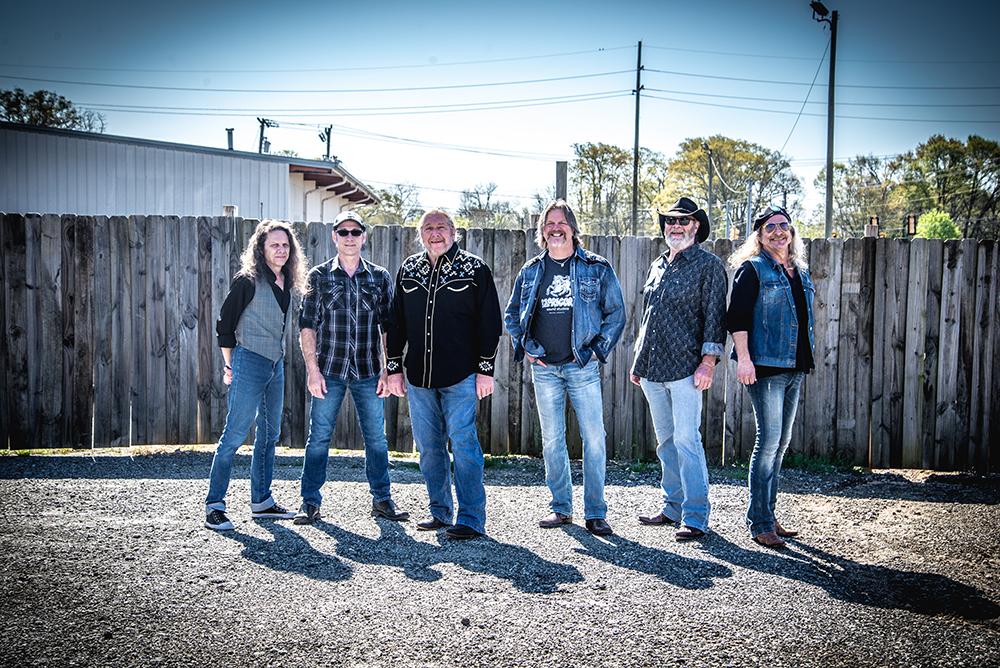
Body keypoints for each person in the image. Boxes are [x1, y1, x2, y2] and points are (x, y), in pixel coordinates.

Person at [504, 200, 625, 536]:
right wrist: (527, 346)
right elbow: (512, 315)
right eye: (549, 224)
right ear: (542, 231)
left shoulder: (596, 267)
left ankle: (595, 512)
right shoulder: (531, 271)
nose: (555, 229)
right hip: (544, 370)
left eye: (561, 223)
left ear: (573, 228)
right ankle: (561, 508)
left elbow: (616, 314)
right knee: (553, 441)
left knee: (594, 439)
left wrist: (594, 352)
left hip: (581, 368)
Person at [384, 210, 502, 540]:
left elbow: (490, 323)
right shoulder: (409, 269)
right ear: (420, 234)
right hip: (419, 377)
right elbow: (396, 323)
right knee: (429, 447)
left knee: (464, 446)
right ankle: (439, 511)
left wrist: (485, 371)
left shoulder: (475, 269)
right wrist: (393, 367)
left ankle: (471, 518)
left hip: (462, 375)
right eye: (428, 228)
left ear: (454, 232)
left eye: (441, 227)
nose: (435, 233)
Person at [294, 210, 409, 525]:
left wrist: (389, 369)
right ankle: (309, 503)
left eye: (354, 232)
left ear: (364, 236)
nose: (348, 237)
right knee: (318, 437)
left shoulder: (379, 277)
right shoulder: (318, 276)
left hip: (368, 370)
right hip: (329, 369)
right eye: (342, 232)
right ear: (334, 236)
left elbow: (388, 327)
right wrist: (312, 370)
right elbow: (307, 326)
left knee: (376, 438)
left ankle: (383, 500)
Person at [631, 196, 727, 541]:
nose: (676, 226)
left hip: (688, 369)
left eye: (683, 221)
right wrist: (639, 361)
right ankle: (672, 506)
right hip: (653, 370)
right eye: (670, 221)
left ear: (696, 226)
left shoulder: (708, 266)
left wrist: (708, 363)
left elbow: (716, 319)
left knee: (687, 441)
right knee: (666, 443)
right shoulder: (657, 264)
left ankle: (696, 515)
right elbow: (647, 318)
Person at [205, 220, 308, 531]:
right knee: (234, 436)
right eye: (274, 244)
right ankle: (214, 505)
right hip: (248, 361)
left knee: (269, 435)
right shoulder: (247, 281)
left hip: (275, 365)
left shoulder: (287, 282)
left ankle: (261, 502)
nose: (281, 249)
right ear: (261, 248)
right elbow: (224, 325)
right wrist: (229, 365)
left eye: (285, 245)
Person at [726, 204, 815, 549]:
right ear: (760, 236)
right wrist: (744, 360)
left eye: (784, 226)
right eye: (770, 228)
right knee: (768, 443)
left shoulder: (799, 271)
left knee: (780, 446)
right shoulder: (753, 269)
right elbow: (737, 318)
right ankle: (759, 521)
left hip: (795, 368)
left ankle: (770, 515)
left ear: (792, 232)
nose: (778, 232)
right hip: (765, 367)